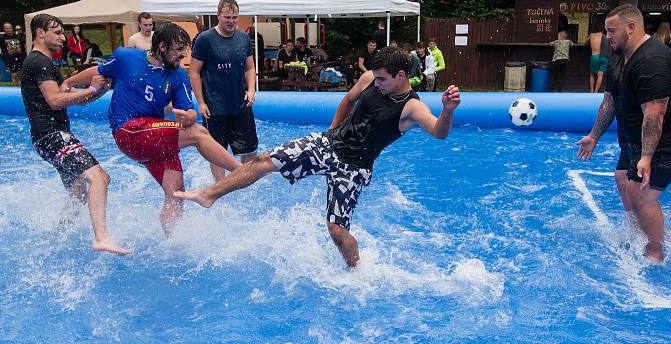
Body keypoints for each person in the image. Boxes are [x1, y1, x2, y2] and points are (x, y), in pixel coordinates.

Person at [175, 46, 462, 268]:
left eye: (383, 79)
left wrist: (447, 110)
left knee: (337, 232)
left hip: (353, 168)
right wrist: (332, 131)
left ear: (401, 75)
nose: (377, 84)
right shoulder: (369, 80)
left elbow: (439, 132)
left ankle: (357, 269)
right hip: (329, 145)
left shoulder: (411, 107)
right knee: (264, 161)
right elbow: (348, 99)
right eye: (375, 78)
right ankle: (210, 194)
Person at [575, 4, 671, 264]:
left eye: (612, 31)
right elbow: (610, 102)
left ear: (631, 28)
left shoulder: (653, 62)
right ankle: (638, 232)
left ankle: (655, 250)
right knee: (623, 178)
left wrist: (646, 156)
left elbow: (655, 115)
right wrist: (594, 136)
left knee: (642, 193)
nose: (608, 36)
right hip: (639, 131)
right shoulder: (618, 56)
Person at [93, 22, 241, 233]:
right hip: (128, 131)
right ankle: (242, 171)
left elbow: (190, 112)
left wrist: (187, 116)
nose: (183, 56)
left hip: (153, 137)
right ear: (162, 47)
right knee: (199, 133)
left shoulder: (178, 75)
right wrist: (67, 85)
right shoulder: (127, 57)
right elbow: (98, 71)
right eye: (178, 50)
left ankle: (171, 243)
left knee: (177, 193)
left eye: (184, 50)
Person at [20, 13, 128, 255]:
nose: (62, 37)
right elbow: (56, 100)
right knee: (100, 178)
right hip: (53, 136)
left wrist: (98, 91)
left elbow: (71, 100)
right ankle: (102, 237)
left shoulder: (43, 63)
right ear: (39, 32)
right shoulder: (39, 62)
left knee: (78, 192)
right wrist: (90, 88)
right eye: (57, 32)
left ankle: (58, 237)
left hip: (46, 138)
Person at [189, 0, 258, 183]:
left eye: (235, 17)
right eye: (227, 17)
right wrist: (201, 102)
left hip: (240, 103)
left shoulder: (244, 38)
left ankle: (246, 184)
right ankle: (220, 185)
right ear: (218, 16)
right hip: (215, 106)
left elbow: (250, 68)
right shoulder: (205, 39)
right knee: (217, 151)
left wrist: (251, 90)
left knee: (249, 149)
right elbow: (194, 72)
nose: (231, 21)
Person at [586, 21, 608, 93]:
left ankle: (591, 92)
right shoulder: (605, 36)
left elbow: (585, 43)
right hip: (604, 56)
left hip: (594, 56)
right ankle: (596, 91)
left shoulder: (592, 35)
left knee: (592, 74)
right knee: (600, 75)